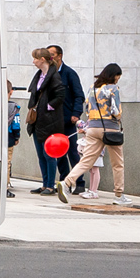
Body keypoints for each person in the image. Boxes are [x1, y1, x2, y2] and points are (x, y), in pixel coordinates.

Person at [59, 63, 131, 206]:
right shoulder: (113, 89)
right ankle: (118, 195)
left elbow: (87, 108)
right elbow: (116, 110)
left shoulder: (93, 88)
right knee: (118, 164)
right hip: (110, 128)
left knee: (86, 160)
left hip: (92, 128)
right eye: (118, 76)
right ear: (114, 75)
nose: (118, 79)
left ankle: (67, 183)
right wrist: (117, 118)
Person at [27, 47, 66, 194]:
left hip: (49, 120)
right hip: (38, 119)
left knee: (49, 154)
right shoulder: (40, 75)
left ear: (42, 59)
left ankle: (50, 185)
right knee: (40, 154)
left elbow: (60, 95)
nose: (33, 61)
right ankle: (44, 183)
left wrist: (49, 107)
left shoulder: (54, 76)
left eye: (35, 59)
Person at [48, 44, 85, 191]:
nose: (49, 57)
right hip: (53, 120)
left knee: (72, 153)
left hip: (68, 118)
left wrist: (76, 113)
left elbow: (79, 95)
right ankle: (64, 182)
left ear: (59, 56)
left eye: (51, 54)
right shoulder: (49, 74)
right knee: (59, 153)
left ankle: (80, 183)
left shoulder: (69, 73)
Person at [6, 80, 21, 198]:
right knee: (7, 163)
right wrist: (17, 137)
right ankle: (5, 187)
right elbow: (16, 124)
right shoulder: (13, 108)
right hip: (9, 138)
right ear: (11, 92)